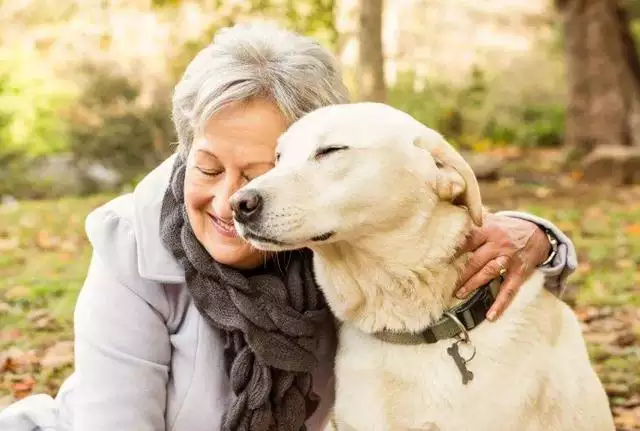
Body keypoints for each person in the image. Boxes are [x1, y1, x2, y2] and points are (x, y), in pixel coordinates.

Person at [0, 22, 577, 431]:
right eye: (206, 167)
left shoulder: (332, 239)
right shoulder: (132, 244)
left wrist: (541, 237)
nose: (236, 201)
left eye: (261, 171)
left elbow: (439, 229)